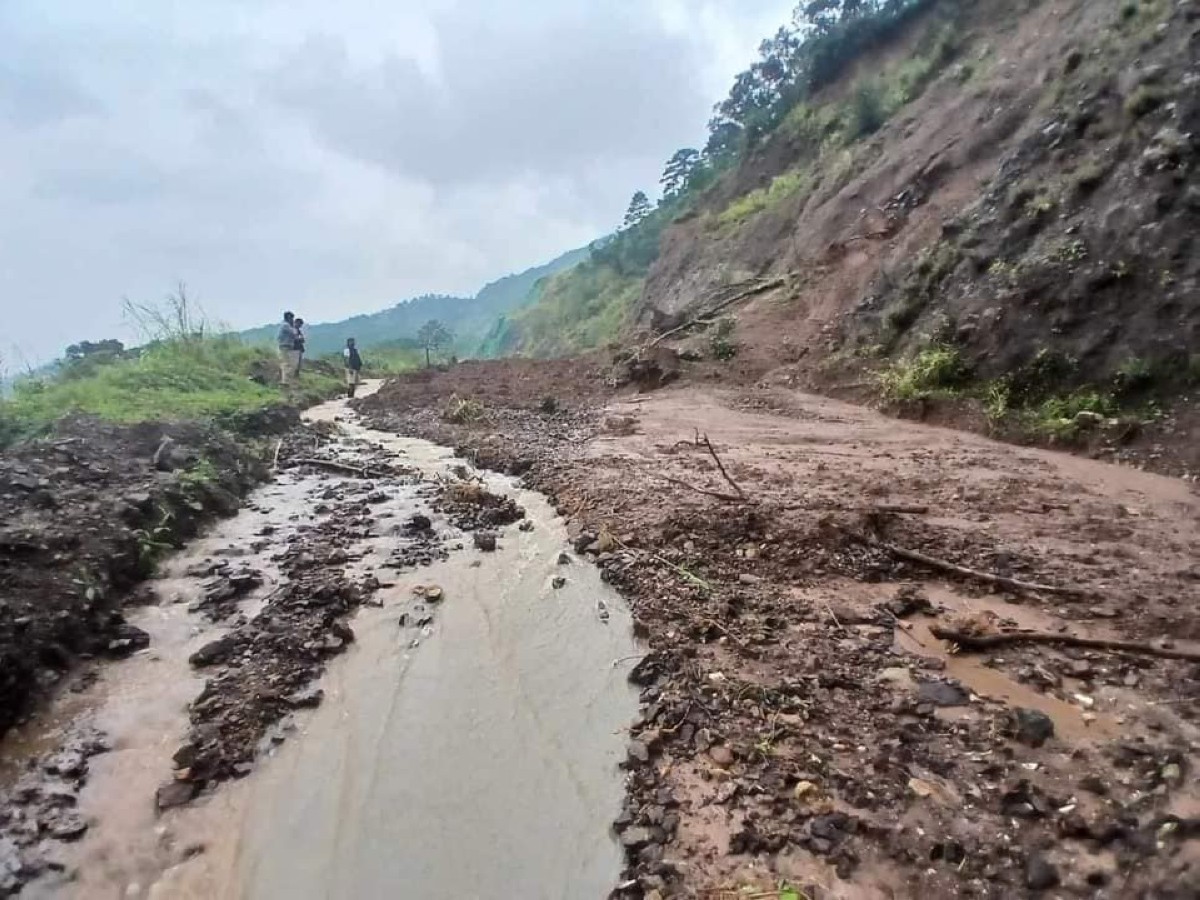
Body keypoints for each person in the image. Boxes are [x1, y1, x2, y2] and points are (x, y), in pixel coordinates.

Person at [276, 311, 299, 387]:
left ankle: (285, 381)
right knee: (287, 364)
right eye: (292, 318)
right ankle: (285, 382)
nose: (293, 320)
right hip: (285, 346)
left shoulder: (284, 325)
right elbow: (294, 333)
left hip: (285, 346)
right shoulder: (286, 325)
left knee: (287, 364)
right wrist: (293, 327)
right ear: (289, 317)